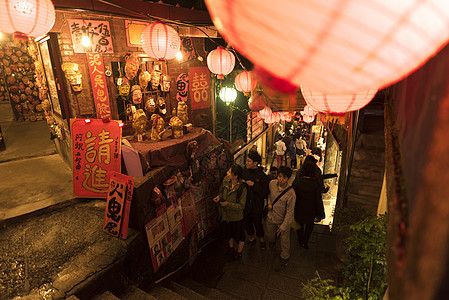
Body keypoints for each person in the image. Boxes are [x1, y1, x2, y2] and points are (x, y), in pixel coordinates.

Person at [265, 166, 296, 270]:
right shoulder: (272, 184)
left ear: (289, 178)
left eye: (284, 178)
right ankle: (273, 240)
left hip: (283, 221)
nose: (281, 180)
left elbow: (290, 212)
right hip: (271, 217)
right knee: (269, 234)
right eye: (279, 176)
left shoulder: (291, 193)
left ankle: (285, 257)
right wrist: (269, 203)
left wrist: (283, 226)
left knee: (285, 240)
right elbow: (269, 195)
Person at [214, 164, 247, 260]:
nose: (227, 173)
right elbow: (221, 192)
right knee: (229, 234)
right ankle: (231, 249)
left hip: (236, 217)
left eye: (229, 172)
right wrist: (219, 198)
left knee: (239, 235)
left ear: (235, 176)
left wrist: (227, 204)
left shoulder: (242, 188)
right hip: (226, 215)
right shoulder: (225, 181)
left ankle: (239, 252)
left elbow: (241, 206)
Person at [292, 162, 325, 249]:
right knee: (309, 226)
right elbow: (318, 200)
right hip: (311, 209)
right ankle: (305, 241)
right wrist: (320, 213)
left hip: (298, 208)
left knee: (299, 224)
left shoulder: (297, 182)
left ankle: (300, 239)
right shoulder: (315, 184)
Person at [242, 151, 270, 249]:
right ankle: (251, 238)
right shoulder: (244, 172)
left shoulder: (262, 176)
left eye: (249, 161)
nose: (246, 162)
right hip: (245, 202)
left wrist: (254, 185)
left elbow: (265, 193)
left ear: (255, 163)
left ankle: (261, 239)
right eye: (247, 160)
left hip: (257, 204)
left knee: (257, 222)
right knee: (247, 221)